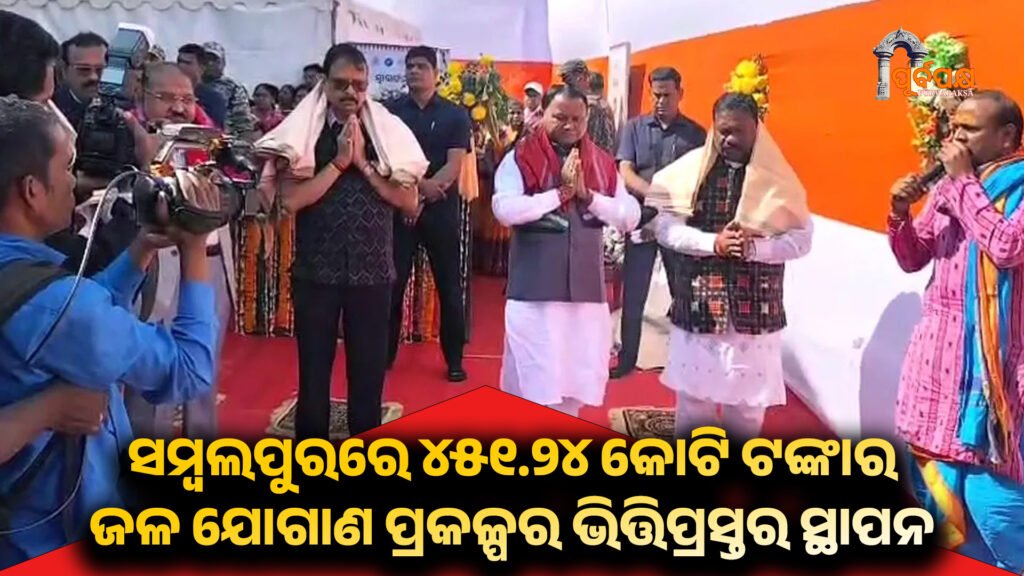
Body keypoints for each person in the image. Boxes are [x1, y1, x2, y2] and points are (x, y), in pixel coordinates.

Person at [0, 96, 219, 567]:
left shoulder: (35, 285)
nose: (75, 182)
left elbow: (79, 316)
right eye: (67, 167)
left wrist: (140, 249)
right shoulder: (56, 307)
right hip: (48, 535)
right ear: (31, 190)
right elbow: (189, 370)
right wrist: (196, 246)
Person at [889, 90, 1024, 572]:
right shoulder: (949, 188)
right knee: (939, 506)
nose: (957, 136)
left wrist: (965, 183)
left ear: (1007, 137)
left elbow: (1008, 247)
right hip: (939, 370)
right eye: (955, 127)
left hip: (998, 379)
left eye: (970, 128)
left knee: (996, 509)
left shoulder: (1016, 188)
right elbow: (913, 257)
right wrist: (899, 213)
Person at [649, 92, 813, 438]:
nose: (729, 139)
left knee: (747, 411)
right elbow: (664, 229)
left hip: (754, 311)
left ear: (757, 129)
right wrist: (713, 244)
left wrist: (755, 248)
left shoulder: (778, 180)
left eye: (738, 131)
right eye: (723, 131)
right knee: (694, 406)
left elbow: (801, 241)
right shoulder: (690, 172)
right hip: (699, 305)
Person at [279, 44, 418, 438]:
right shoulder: (304, 133)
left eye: (359, 85)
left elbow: (409, 202)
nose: (350, 93)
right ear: (324, 84)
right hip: (315, 271)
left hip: (373, 272)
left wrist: (365, 166)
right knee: (313, 377)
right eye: (341, 84)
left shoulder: (385, 132)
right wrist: (339, 163)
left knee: (368, 378)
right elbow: (290, 200)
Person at [492, 85, 640, 416]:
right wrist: (559, 194)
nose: (570, 125)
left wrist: (588, 196)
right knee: (532, 384)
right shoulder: (519, 158)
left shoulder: (601, 162)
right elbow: (505, 209)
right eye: (560, 117)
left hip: (585, 297)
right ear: (542, 114)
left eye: (577, 119)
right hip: (534, 295)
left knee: (574, 383)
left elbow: (629, 216)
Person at [122, 63, 232, 441]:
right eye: (167, 98)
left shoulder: (211, 140)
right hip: (156, 265)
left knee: (203, 364)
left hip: (211, 263)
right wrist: (148, 162)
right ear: (143, 96)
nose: (179, 107)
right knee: (153, 371)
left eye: (186, 99)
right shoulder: (128, 136)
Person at [611, 67, 707, 379]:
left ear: (681, 94)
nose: (660, 101)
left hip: (677, 223)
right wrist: (654, 195)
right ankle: (627, 360)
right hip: (642, 219)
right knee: (634, 295)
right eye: (656, 95)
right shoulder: (634, 128)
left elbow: (699, 178)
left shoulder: (695, 135)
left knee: (683, 294)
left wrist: (673, 203)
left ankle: (687, 360)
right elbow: (625, 171)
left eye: (667, 95)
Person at [386, 45, 471, 382]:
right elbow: (388, 161)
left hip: (441, 211)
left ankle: (454, 361)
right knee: (391, 287)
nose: (414, 71)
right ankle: (384, 356)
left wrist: (423, 195)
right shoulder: (392, 113)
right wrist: (417, 191)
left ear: (436, 73)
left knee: (449, 288)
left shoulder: (454, 115)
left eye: (421, 66)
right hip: (400, 210)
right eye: (409, 66)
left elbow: (454, 163)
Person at [199, 42, 254, 140]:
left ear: (223, 63)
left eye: (215, 60)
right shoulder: (190, 83)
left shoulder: (233, 87)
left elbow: (243, 122)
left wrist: (244, 143)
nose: (210, 63)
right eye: (206, 59)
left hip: (223, 139)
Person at [559, 60, 615, 153]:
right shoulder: (577, 104)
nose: (565, 85)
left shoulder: (591, 107)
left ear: (581, 78)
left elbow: (593, 145)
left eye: (567, 80)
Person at [176, 43, 228, 129]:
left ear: (202, 67)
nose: (181, 66)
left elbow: (214, 130)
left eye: (187, 63)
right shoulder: (168, 90)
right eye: (179, 61)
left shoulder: (213, 98)